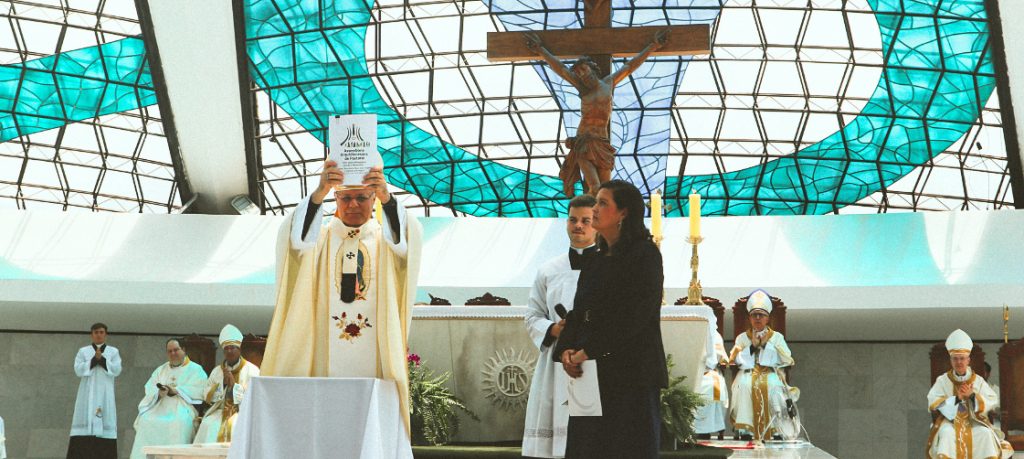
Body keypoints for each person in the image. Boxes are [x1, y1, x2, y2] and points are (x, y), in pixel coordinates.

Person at [261, 161, 421, 437]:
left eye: (362, 197)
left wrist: (388, 198)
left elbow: (408, 243)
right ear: (335, 199)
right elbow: (294, 243)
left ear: (374, 199)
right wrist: (318, 193)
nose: (353, 204)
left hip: (374, 358)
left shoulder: (386, 241)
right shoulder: (319, 240)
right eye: (346, 198)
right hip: (323, 358)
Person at [552, 180, 667, 459]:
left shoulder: (645, 255)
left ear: (623, 213)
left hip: (630, 373)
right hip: (591, 372)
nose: (594, 209)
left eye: (603, 203)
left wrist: (588, 350)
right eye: (596, 202)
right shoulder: (596, 258)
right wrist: (566, 348)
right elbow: (579, 311)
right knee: (587, 449)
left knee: (626, 448)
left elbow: (635, 316)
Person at [525, 32, 668, 197]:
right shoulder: (581, 87)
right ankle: (586, 212)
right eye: (578, 73)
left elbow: (630, 66)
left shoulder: (609, 83)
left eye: (583, 69)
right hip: (584, 143)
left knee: (605, 190)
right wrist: (540, 50)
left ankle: (598, 213)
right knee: (594, 187)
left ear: (592, 68)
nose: (582, 74)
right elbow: (561, 69)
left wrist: (653, 46)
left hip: (602, 144)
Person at [522, 194, 598, 458]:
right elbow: (532, 315)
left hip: (591, 356)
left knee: (589, 435)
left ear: (596, 224)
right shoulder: (548, 269)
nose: (578, 226)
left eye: (586, 221)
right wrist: (554, 329)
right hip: (555, 361)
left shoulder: (608, 268)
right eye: (573, 220)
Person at [926, 329, 1013, 458]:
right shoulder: (943, 381)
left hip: (975, 422)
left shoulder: (978, 381)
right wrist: (957, 398)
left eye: (962, 358)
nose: (959, 362)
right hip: (950, 423)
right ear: (951, 360)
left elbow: (992, 400)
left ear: (968, 360)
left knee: (985, 433)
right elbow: (934, 402)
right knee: (946, 433)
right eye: (955, 359)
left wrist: (972, 395)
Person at [727, 290, 795, 441]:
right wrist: (752, 347)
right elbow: (735, 359)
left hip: (770, 372)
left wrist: (765, 345)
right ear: (749, 318)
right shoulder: (742, 338)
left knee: (774, 386)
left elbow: (787, 358)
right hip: (748, 372)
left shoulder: (777, 337)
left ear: (768, 318)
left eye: (761, 315)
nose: (757, 318)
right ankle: (745, 429)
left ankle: (777, 428)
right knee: (744, 385)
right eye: (754, 315)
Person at [130, 338, 208, 458]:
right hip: (160, 406)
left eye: (176, 350)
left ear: (184, 350)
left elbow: (201, 390)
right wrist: (159, 393)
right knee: (145, 420)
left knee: (179, 422)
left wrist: (177, 390)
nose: (173, 353)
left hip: (182, 407)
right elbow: (149, 387)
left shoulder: (195, 369)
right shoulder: (161, 370)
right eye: (169, 351)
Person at [194, 325, 260, 444]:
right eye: (226, 348)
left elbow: (255, 396)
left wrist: (234, 386)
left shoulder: (252, 370)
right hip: (219, 411)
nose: (229, 351)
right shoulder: (217, 371)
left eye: (232, 348)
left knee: (235, 425)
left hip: (241, 412)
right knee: (208, 424)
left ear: (239, 349)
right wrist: (223, 385)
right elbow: (206, 395)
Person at [67, 322, 121, 459]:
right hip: (87, 394)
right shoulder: (83, 351)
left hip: (105, 394)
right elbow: (78, 369)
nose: (99, 335)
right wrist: (93, 360)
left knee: (105, 423)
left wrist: (102, 359)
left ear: (105, 334)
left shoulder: (113, 351)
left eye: (101, 332)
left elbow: (116, 369)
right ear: (92, 334)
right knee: (84, 425)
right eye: (96, 332)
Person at [694, 330, 729, 437]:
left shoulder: (714, 334)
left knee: (713, 386)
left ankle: (706, 429)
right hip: (690, 370)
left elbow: (719, 356)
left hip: (709, 369)